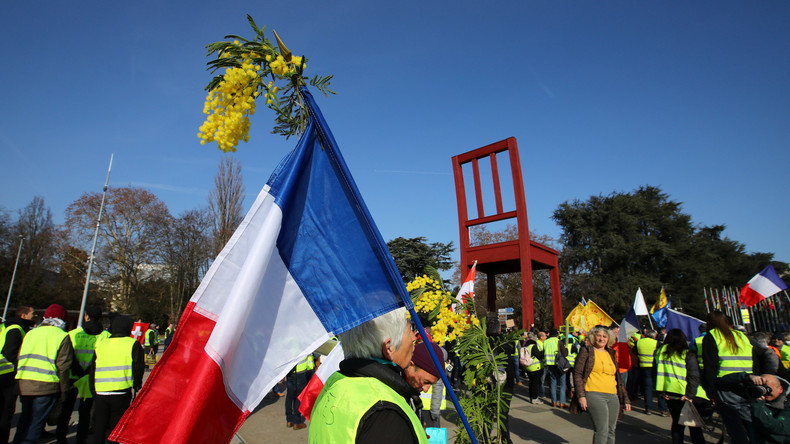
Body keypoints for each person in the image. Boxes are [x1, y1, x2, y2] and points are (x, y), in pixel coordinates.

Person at [309, 307, 426, 443]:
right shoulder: (385, 413)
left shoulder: (335, 382)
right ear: (389, 348)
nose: (414, 337)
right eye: (409, 330)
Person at [12, 304, 74, 444]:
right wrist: (64, 390)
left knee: (24, 420)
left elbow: (19, 357)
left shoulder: (31, 333)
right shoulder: (62, 336)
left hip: (24, 383)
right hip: (46, 385)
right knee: (36, 423)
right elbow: (63, 366)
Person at [57, 306, 110, 444]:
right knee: (85, 413)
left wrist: (78, 370)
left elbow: (67, 355)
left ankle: (61, 438)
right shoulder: (106, 336)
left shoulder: (72, 334)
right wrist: (88, 371)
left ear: (86, 316)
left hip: (72, 376)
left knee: (66, 411)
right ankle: (81, 439)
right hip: (90, 378)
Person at [701, 310, 756, 442]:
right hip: (746, 382)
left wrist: (710, 388)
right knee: (749, 420)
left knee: (733, 423)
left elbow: (710, 365)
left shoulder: (712, 336)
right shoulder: (741, 335)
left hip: (725, 384)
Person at [89, 314, 144, 444]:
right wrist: (137, 384)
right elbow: (138, 367)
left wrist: (92, 388)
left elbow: (93, 368)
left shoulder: (101, 344)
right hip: (121, 391)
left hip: (101, 391)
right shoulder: (133, 344)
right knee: (116, 427)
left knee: (99, 425)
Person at [572, 325, 631, 444]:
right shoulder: (587, 351)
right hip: (594, 394)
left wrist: (626, 399)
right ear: (593, 337)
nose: (601, 339)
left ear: (609, 338)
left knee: (611, 430)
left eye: (604, 336)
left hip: (613, 395)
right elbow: (577, 374)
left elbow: (618, 379)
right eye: (598, 336)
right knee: (602, 430)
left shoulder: (611, 353)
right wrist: (581, 396)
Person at [654, 329, 710, 444]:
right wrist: (690, 395)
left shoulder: (659, 353)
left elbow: (656, 372)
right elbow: (694, 376)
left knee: (677, 423)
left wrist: (662, 392)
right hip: (687, 392)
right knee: (693, 425)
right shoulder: (687, 353)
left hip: (670, 392)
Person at [718, 372, 790, 443]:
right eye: (762, 388)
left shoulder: (787, 403)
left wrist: (758, 406)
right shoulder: (755, 392)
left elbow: (776, 427)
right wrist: (747, 377)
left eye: (768, 389)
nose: (765, 393)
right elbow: (722, 382)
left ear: (780, 389)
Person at [0, 306, 34, 444]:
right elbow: (10, 353)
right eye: (32, 314)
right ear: (23, 315)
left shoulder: (6, 326)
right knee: (5, 412)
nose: (35, 316)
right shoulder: (16, 329)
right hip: (6, 375)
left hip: (4, 372)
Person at [406, 341, 445, 428]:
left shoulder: (413, 398)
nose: (426, 389)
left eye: (431, 384)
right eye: (426, 382)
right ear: (411, 365)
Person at [636, 329, 667, 415]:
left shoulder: (639, 342)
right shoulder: (657, 343)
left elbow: (635, 352)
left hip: (643, 367)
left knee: (647, 388)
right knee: (659, 388)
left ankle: (648, 408)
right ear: (654, 336)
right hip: (655, 367)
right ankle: (663, 409)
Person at [285, 353, 316, 430]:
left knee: (290, 396)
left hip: (290, 370)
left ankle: (289, 420)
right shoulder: (303, 344)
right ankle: (297, 421)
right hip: (301, 371)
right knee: (299, 396)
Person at [543, 329, 569, 408]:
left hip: (549, 364)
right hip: (559, 365)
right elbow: (565, 354)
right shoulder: (559, 341)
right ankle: (562, 402)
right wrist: (566, 349)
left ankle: (553, 401)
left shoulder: (545, 342)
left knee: (552, 383)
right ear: (557, 335)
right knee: (562, 383)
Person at [523, 332, 545, 404]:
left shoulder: (527, 346)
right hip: (535, 367)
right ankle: (535, 398)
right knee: (536, 383)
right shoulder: (533, 346)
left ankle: (531, 397)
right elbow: (539, 356)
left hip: (529, 366)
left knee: (531, 382)